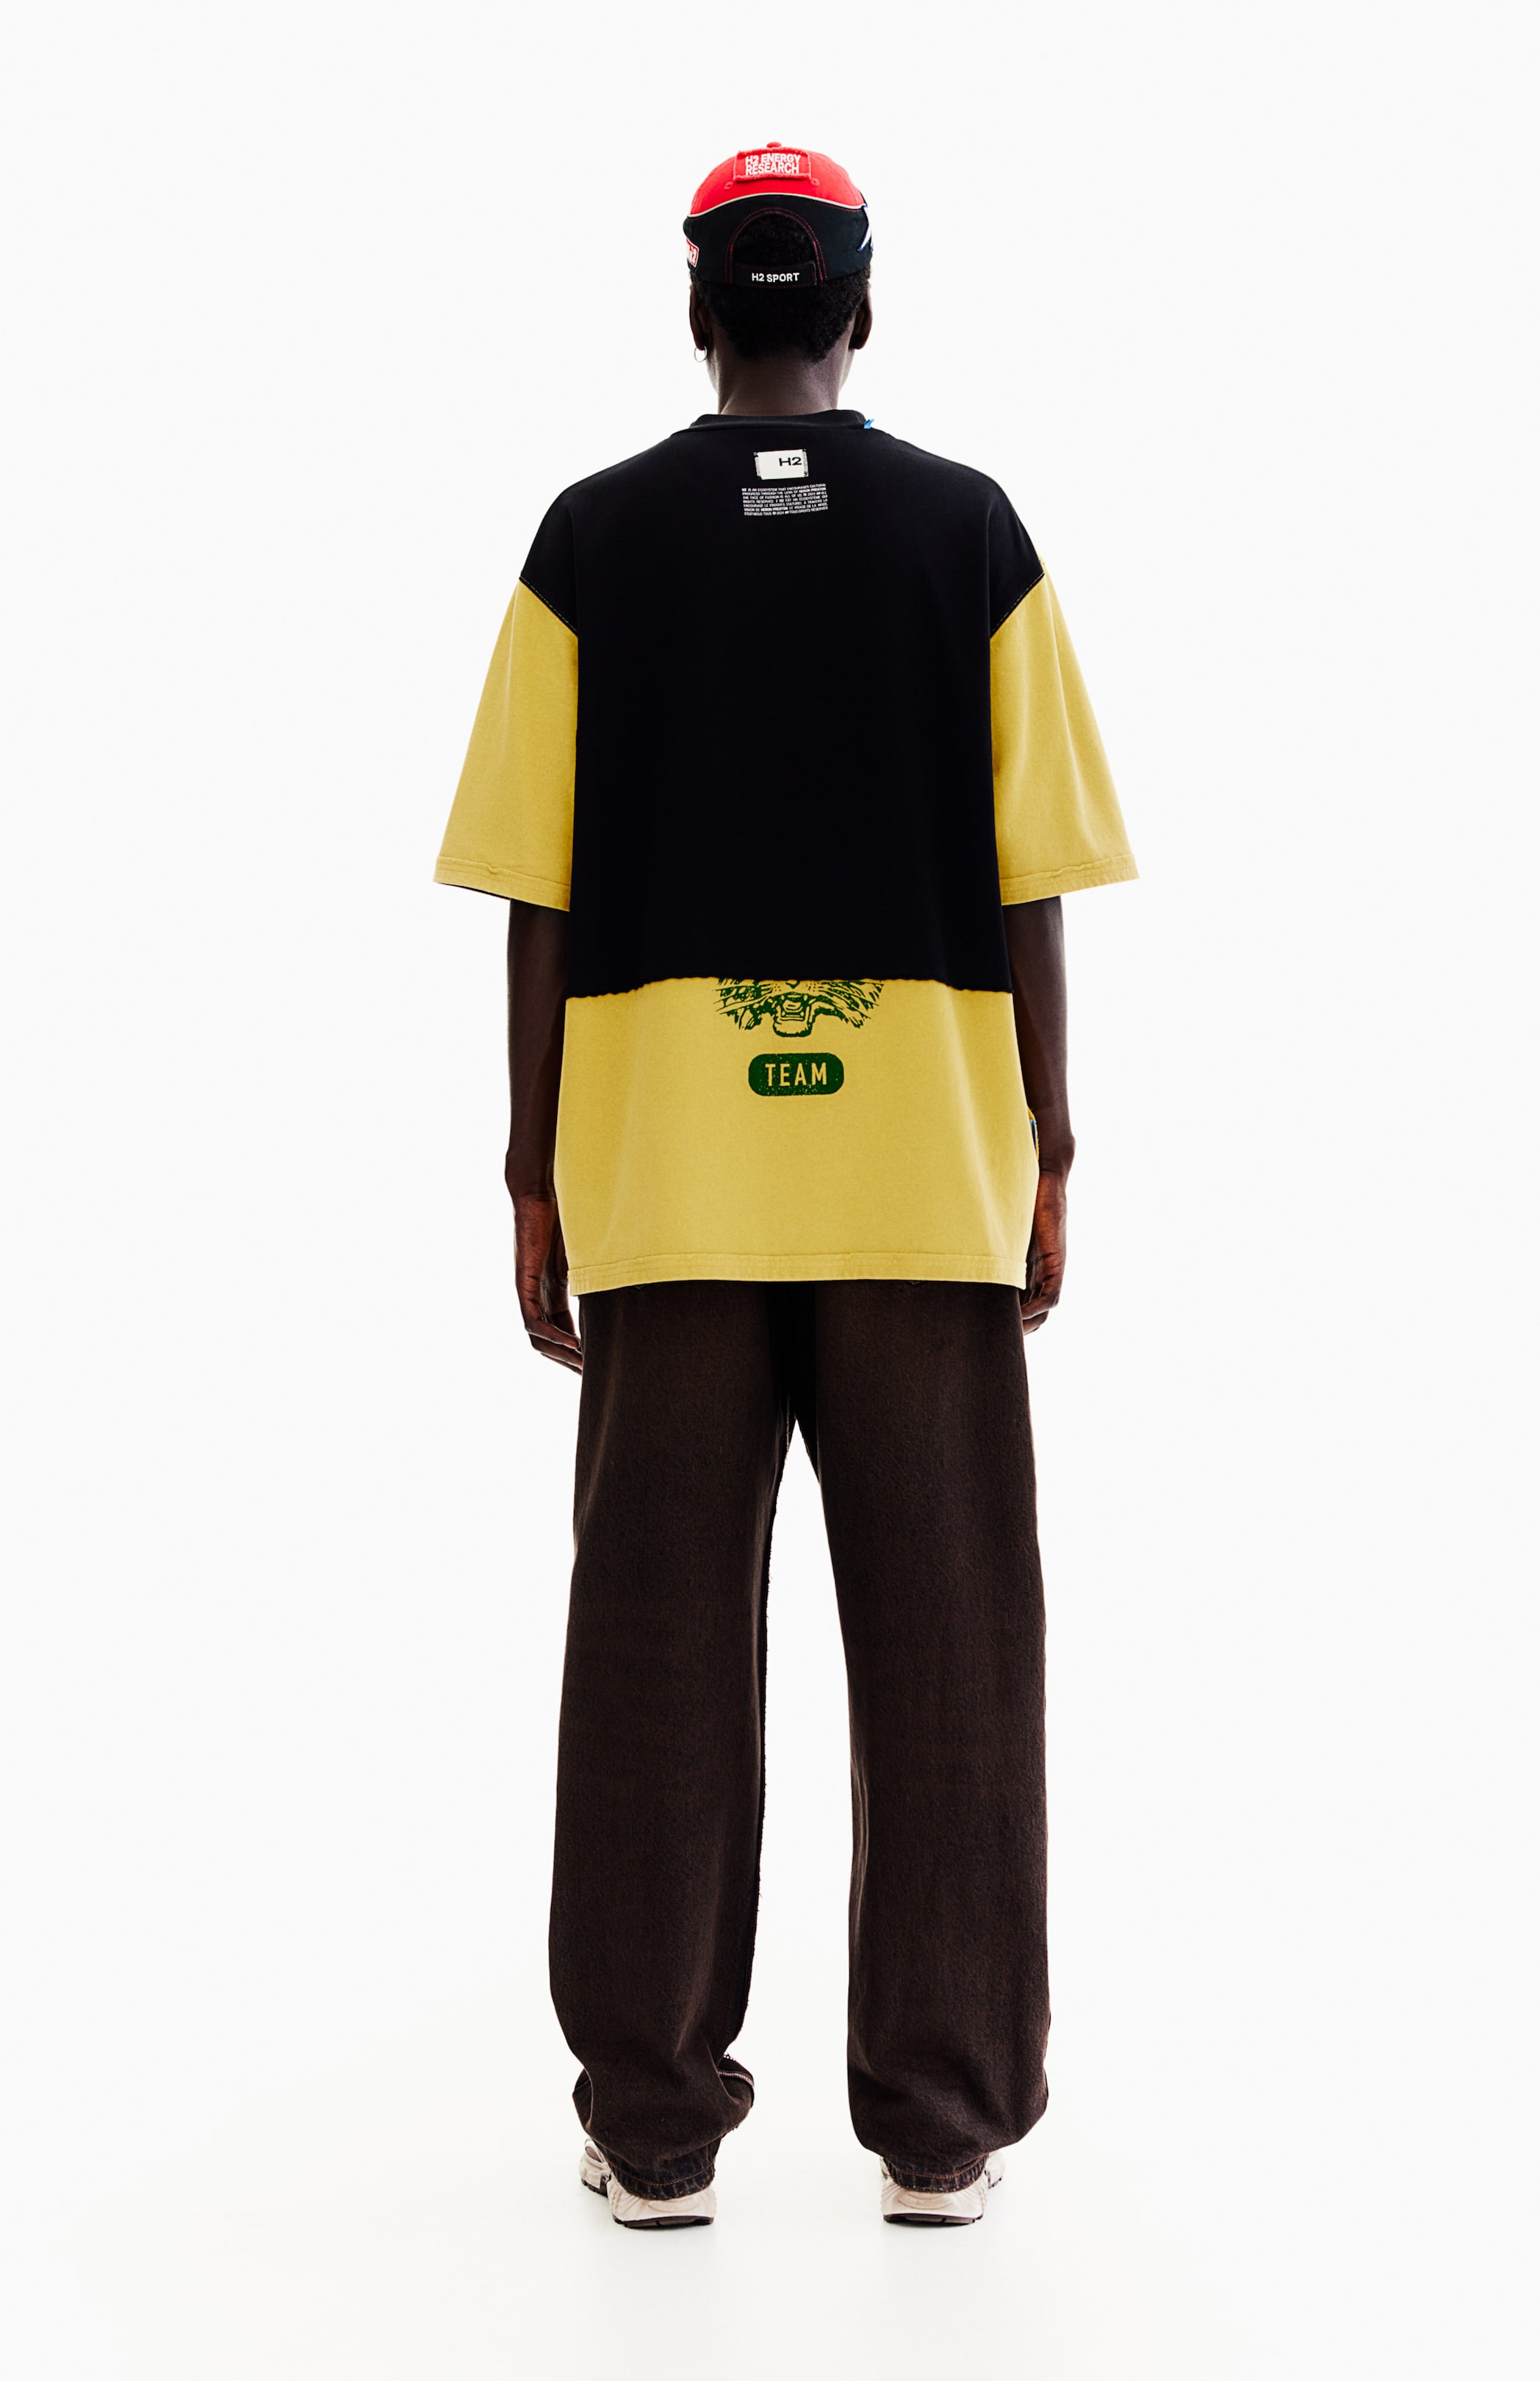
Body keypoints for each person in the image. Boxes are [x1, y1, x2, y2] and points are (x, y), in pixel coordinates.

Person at [434, 143, 1136, 2230]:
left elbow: (539, 898)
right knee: (953, 1645)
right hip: (922, 1171)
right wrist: (1048, 1145)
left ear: (697, 314)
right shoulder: (970, 535)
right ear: (859, 308)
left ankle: (654, 2126)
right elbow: (1031, 887)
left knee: (652, 1646)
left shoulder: (590, 543)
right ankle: (942, 2127)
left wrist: (533, 1173)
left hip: (667, 1174)